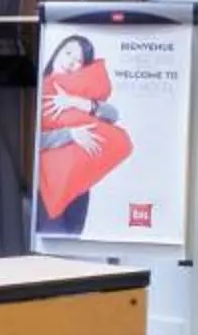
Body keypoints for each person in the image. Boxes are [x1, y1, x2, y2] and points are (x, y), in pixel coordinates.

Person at [35, 33, 132, 238]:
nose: (71, 61)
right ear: (56, 52)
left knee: (73, 241)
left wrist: (76, 102)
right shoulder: (38, 89)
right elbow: (34, 140)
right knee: (53, 244)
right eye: (68, 53)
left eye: (78, 60)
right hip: (47, 185)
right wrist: (70, 134)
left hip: (78, 186)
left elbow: (112, 115)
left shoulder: (80, 91)